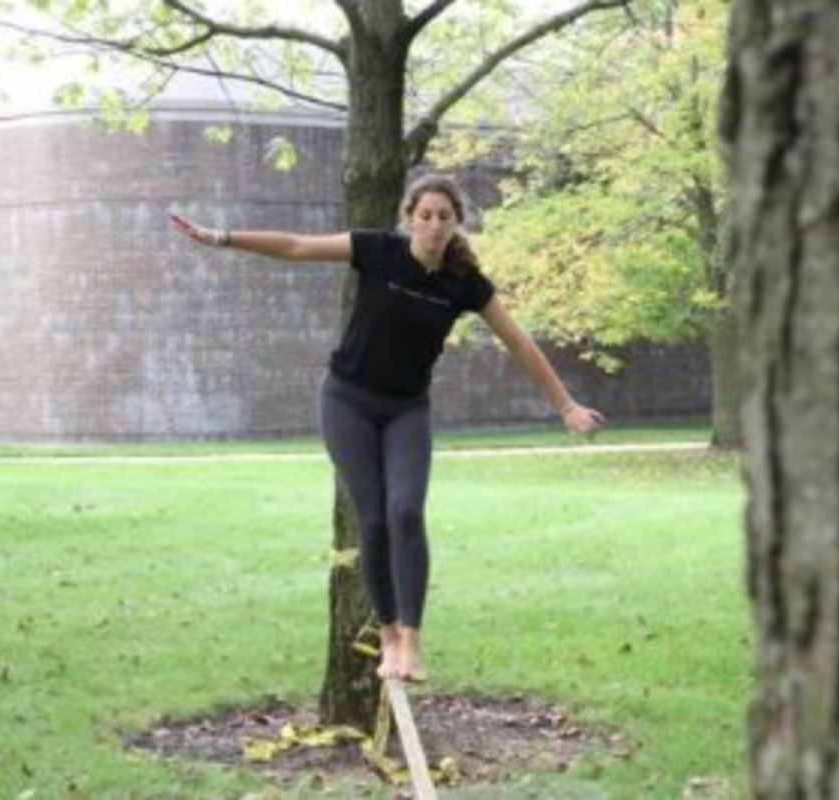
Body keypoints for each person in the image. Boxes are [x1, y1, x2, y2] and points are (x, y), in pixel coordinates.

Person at [168, 173, 604, 682]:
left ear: (456, 222)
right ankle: (390, 634)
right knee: (372, 519)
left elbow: (520, 342)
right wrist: (221, 237)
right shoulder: (377, 251)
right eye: (425, 215)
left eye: (444, 217)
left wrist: (566, 406)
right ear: (409, 218)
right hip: (347, 401)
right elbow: (295, 245)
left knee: (405, 511)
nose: (434, 225)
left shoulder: (464, 283)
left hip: (406, 411)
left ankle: (412, 642)